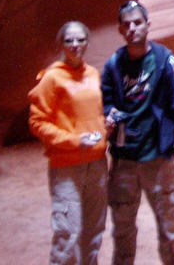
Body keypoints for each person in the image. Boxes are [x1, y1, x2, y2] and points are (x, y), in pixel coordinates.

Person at [101, 0, 174, 265]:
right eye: (126, 24)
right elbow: (106, 99)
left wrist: (173, 145)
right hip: (123, 161)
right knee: (123, 228)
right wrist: (110, 116)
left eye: (137, 22)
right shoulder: (114, 65)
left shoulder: (165, 61)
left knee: (168, 225)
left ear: (148, 25)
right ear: (119, 29)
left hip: (157, 160)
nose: (132, 28)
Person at [28, 21, 109, 265]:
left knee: (94, 232)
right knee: (68, 232)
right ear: (61, 44)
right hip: (66, 167)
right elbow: (37, 122)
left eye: (80, 40)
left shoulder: (93, 74)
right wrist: (74, 141)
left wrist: (106, 129)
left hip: (96, 164)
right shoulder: (52, 78)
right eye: (69, 40)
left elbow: (96, 114)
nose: (75, 45)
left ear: (86, 42)